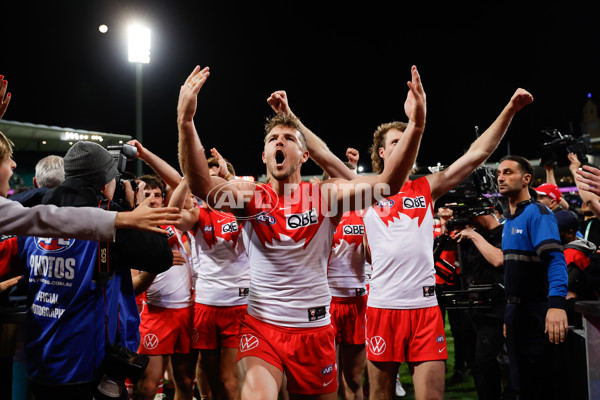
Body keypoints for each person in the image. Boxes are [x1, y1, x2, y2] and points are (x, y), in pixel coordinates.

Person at [177, 64, 426, 400]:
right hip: (260, 327)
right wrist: (186, 122)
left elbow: (388, 184)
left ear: (304, 155)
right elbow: (202, 185)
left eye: (288, 138)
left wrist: (417, 125)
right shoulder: (250, 197)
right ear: (264, 155)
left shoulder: (325, 196)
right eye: (272, 139)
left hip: (314, 330)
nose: (279, 142)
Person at [292, 80, 533, 398]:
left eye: (407, 139)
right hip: (381, 307)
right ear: (381, 151)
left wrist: (510, 110)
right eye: (395, 141)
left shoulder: (427, 187)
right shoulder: (366, 187)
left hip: (424, 309)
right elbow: (323, 156)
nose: (403, 144)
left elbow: (477, 154)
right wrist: (290, 117)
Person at [0, 141, 175, 400]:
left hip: (39, 366)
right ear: (104, 185)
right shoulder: (108, 225)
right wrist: (128, 210)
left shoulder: (30, 221)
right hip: (87, 373)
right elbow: (162, 257)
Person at [496, 155, 568, 399]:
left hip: (536, 311)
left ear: (526, 179)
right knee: (521, 385)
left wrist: (556, 305)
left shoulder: (538, 213)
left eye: (508, 172)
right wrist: (510, 310)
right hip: (516, 311)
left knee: (540, 385)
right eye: (499, 173)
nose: (501, 177)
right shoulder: (509, 219)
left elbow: (555, 261)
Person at [134, 174, 197, 400]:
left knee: (185, 382)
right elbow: (133, 284)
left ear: (164, 200)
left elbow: (179, 187)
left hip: (185, 313)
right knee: (148, 386)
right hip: (155, 313)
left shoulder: (173, 223)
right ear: (135, 197)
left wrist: (188, 173)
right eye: (146, 194)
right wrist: (160, 259)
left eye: (157, 195)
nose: (152, 199)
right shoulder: (131, 228)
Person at [453, 210, 509, 400]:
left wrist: (474, 235)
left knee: (487, 361)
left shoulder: (505, 231)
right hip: (472, 308)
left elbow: (499, 260)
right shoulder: (472, 235)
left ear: (491, 211)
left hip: (496, 309)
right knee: (476, 363)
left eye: (471, 213)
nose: (468, 218)